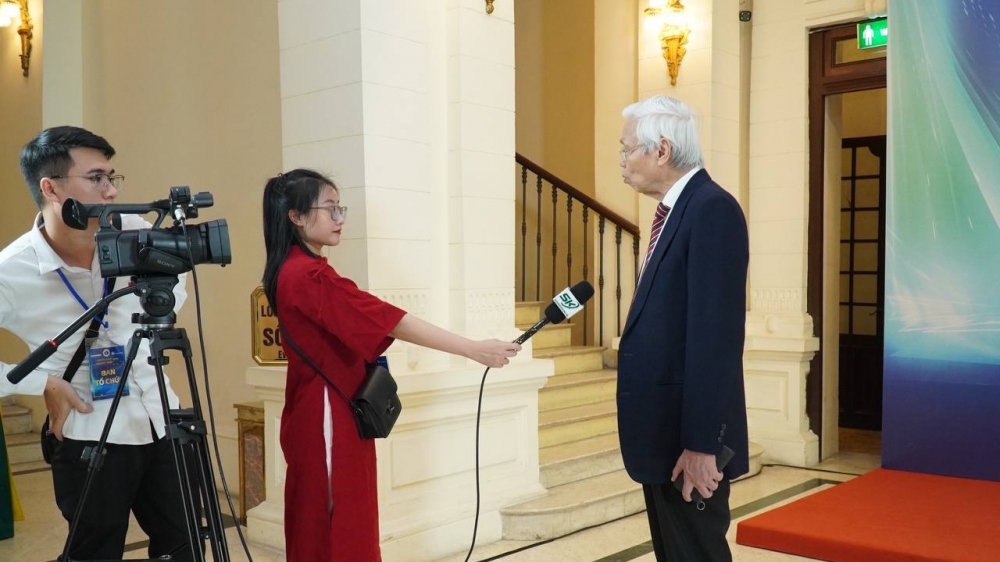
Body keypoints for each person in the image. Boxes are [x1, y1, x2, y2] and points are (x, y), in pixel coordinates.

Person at [261, 169, 521, 562]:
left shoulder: (295, 269)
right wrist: (471, 349)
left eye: (340, 208)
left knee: (323, 517)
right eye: (330, 209)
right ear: (295, 216)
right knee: (339, 522)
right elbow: (388, 320)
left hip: (317, 406)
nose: (340, 218)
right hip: (326, 412)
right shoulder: (307, 275)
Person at [0, 126, 198, 560]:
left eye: (112, 177)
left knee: (185, 547)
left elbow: (175, 284)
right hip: (88, 434)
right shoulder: (12, 270)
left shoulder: (132, 230)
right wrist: (41, 383)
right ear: (51, 188)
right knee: (94, 553)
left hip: (162, 419)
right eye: (96, 178)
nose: (111, 191)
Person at [615, 95, 750, 561]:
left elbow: (716, 339)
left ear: (662, 150)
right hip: (663, 432)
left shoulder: (711, 209)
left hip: (687, 440)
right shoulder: (676, 211)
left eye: (626, 149)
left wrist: (701, 444)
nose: (622, 161)